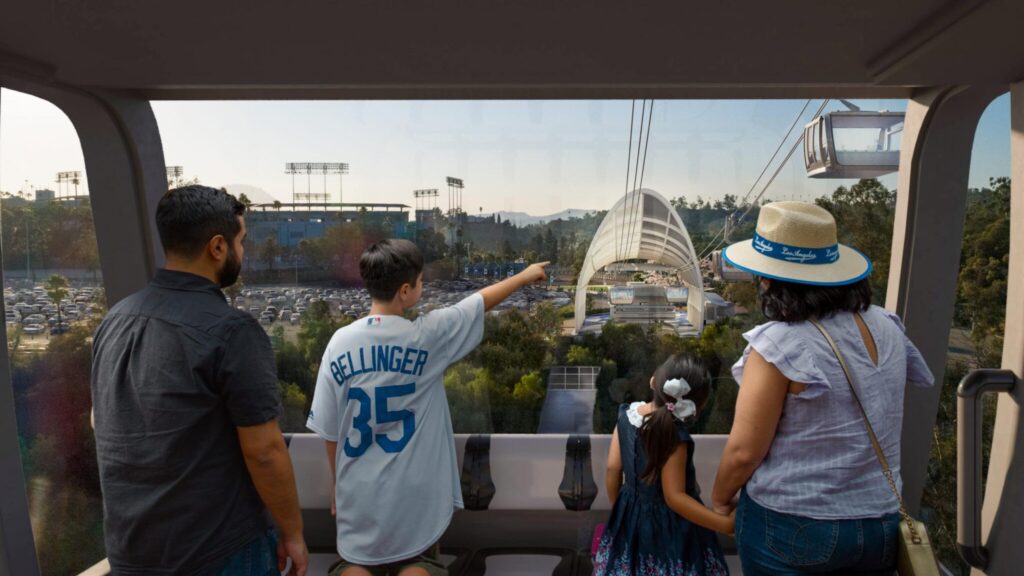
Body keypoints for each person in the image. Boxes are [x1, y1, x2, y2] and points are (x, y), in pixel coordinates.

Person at [91, 185, 308, 576]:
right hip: (217, 552)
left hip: (131, 551)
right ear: (218, 247)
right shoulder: (232, 331)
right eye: (241, 242)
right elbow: (264, 451)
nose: (244, 252)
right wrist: (293, 533)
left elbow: (102, 417)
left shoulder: (115, 320)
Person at [711, 201, 935, 575]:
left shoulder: (780, 344)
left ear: (769, 279)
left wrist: (719, 499)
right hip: (879, 521)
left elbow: (744, 451)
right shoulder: (887, 325)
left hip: (794, 525)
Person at [306, 239, 548, 576]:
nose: (423, 286)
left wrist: (338, 487)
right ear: (405, 291)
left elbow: (330, 432)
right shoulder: (427, 336)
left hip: (358, 496)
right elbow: (477, 303)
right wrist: (524, 276)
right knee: (418, 567)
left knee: (357, 567)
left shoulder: (339, 343)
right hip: (414, 497)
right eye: (420, 281)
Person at [593, 354, 732, 576]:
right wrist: (724, 524)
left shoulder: (626, 417)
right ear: (698, 405)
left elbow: (612, 469)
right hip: (670, 529)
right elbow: (674, 497)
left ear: (652, 381)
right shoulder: (675, 436)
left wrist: (622, 509)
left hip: (630, 514)